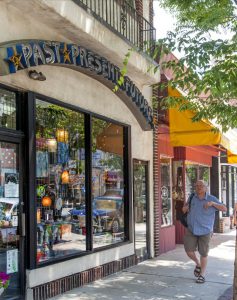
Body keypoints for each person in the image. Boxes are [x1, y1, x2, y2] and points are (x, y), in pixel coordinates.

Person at [182, 180, 227, 284]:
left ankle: (202, 275)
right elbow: (184, 208)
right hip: (191, 228)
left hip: (205, 230)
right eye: (197, 185)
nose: (198, 187)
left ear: (206, 187)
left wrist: (213, 204)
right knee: (189, 250)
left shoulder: (211, 198)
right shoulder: (192, 197)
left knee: (203, 253)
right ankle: (197, 263)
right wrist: (185, 208)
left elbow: (224, 208)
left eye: (201, 186)